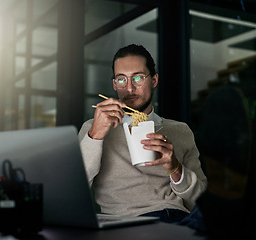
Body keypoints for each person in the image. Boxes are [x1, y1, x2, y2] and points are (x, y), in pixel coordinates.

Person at [78, 44, 207, 228]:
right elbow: (74, 190)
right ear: (114, 84)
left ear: (154, 80)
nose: (129, 88)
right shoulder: (93, 127)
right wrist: (95, 135)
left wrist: (175, 169)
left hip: (180, 219)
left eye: (138, 77)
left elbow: (202, 201)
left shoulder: (180, 130)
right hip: (127, 223)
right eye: (121, 79)